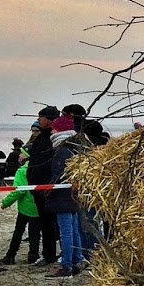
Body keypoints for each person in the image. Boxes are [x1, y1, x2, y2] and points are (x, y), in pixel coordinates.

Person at [45, 115, 88, 277]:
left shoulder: (62, 150)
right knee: (74, 230)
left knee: (66, 232)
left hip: (62, 195)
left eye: (54, 129)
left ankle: (67, 264)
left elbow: (58, 174)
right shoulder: (75, 147)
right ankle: (77, 260)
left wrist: (48, 191)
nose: (52, 131)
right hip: (73, 194)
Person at [26, 105, 60, 266]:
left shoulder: (54, 138)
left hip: (47, 187)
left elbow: (52, 164)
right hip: (36, 186)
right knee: (45, 222)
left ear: (49, 119)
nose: (39, 120)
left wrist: (48, 185)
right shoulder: (41, 137)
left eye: (41, 117)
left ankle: (50, 255)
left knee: (50, 223)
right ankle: (48, 254)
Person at [0, 158, 43, 264]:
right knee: (35, 232)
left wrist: (6, 202)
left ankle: (11, 255)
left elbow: (19, 191)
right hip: (37, 206)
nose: (19, 156)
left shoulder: (22, 171)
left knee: (18, 231)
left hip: (25, 207)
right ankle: (33, 255)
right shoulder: (39, 167)